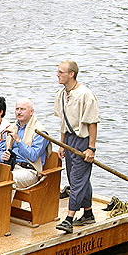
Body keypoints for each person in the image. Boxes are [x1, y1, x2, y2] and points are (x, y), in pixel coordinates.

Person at [54, 59, 100, 233]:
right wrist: (62, 144)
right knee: (78, 179)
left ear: (71, 74)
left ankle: (69, 218)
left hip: (83, 141)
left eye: (61, 72)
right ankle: (88, 214)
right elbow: (63, 122)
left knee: (77, 180)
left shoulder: (85, 94)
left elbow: (92, 122)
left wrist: (91, 148)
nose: (57, 75)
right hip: (70, 141)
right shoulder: (61, 94)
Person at [0, 98, 51, 189]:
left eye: (22, 109)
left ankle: (4, 203)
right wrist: (2, 156)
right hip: (11, 166)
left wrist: (18, 140)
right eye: (17, 109)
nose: (19, 112)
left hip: (30, 171)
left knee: (8, 179)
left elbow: (33, 156)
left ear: (31, 112)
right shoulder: (11, 128)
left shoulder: (40, 132)